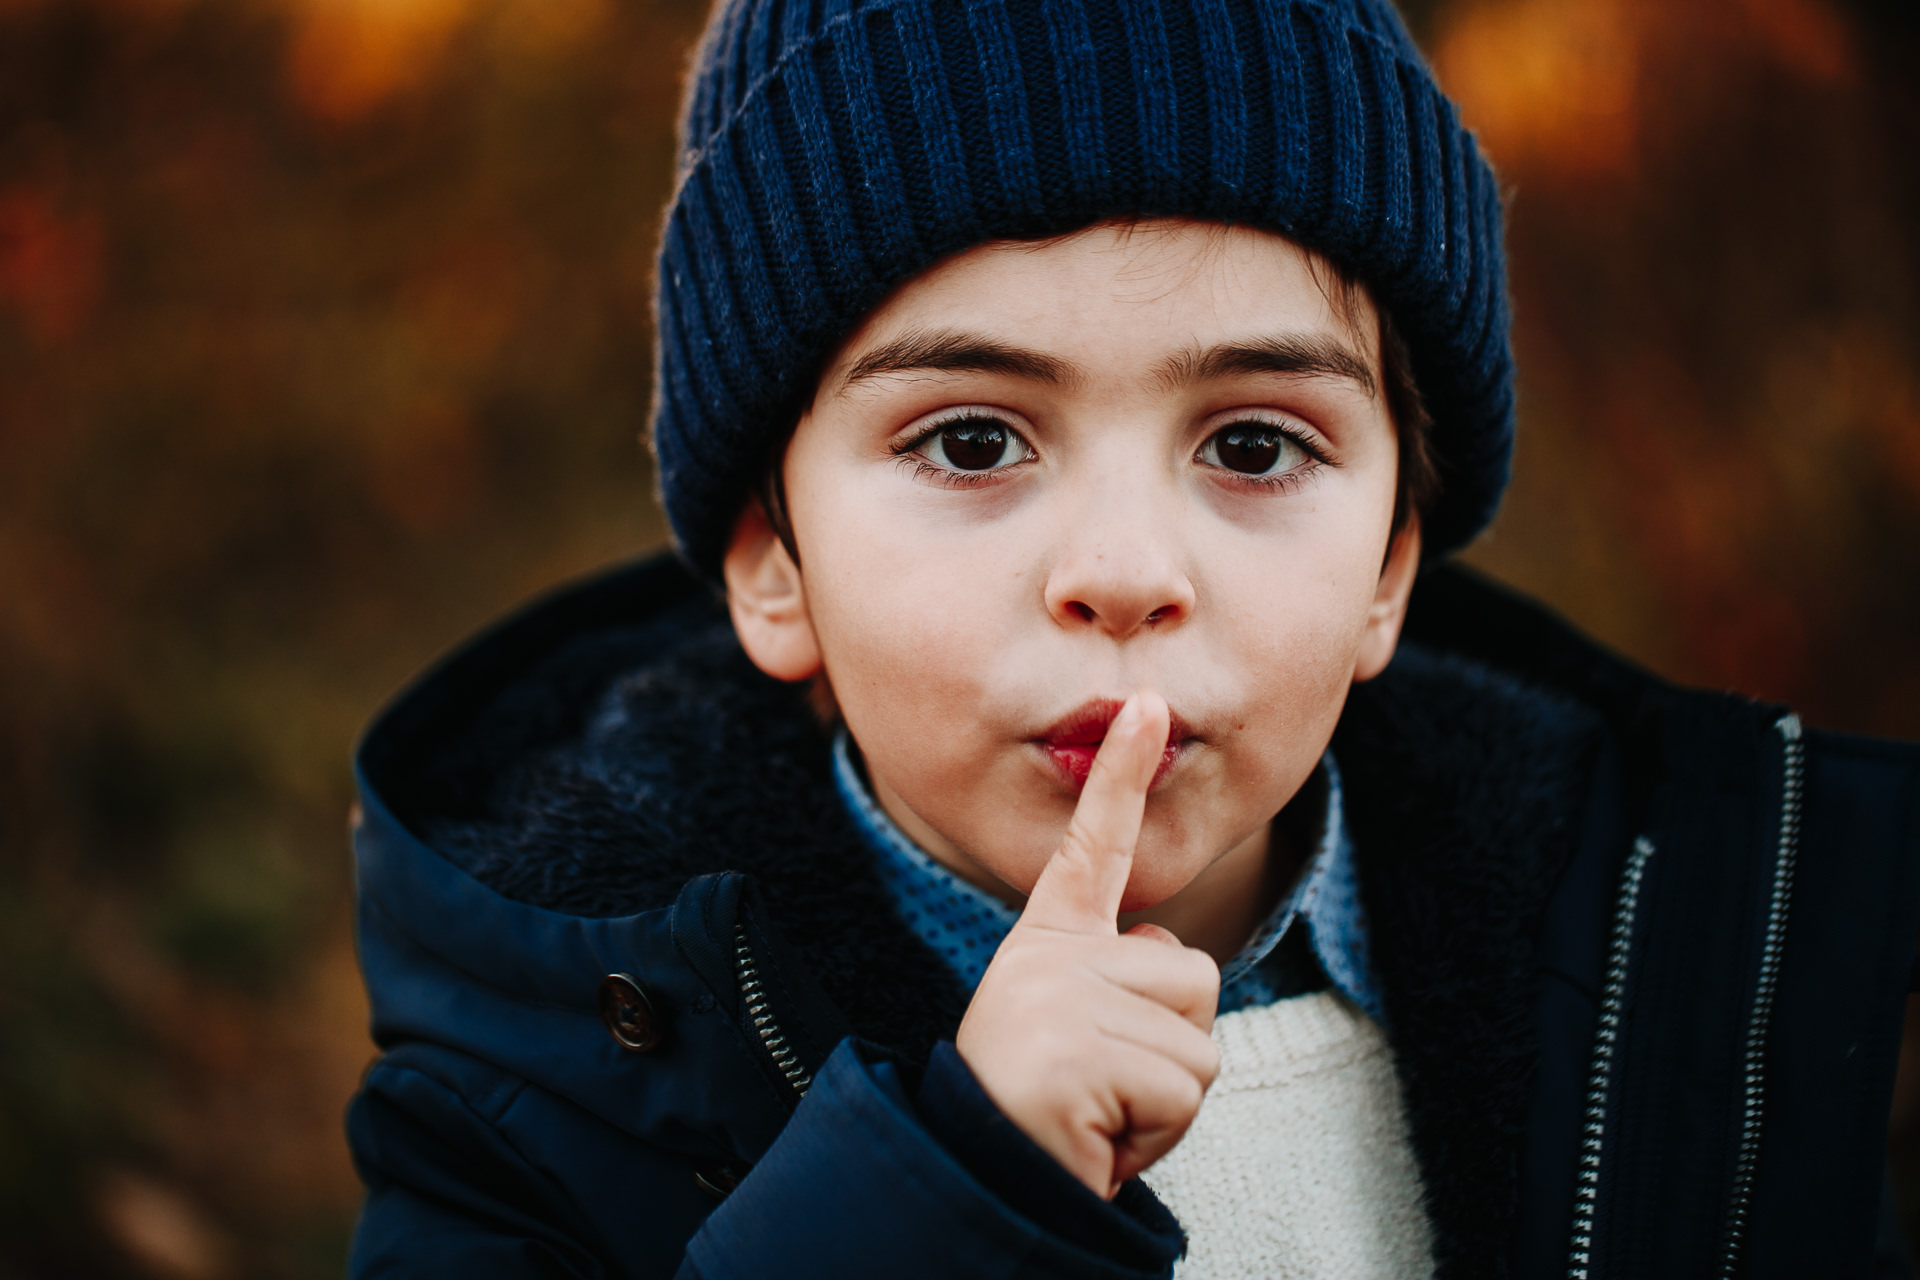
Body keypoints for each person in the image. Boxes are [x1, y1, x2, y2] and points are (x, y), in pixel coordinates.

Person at [341, 0, 1920, 1276]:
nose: (1121, 572)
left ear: (1386, 572)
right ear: (774, 567)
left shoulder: (1709, 976)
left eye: (1251, 446)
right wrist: (951, 1198)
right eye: (971, 442)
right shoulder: (540, 1103)